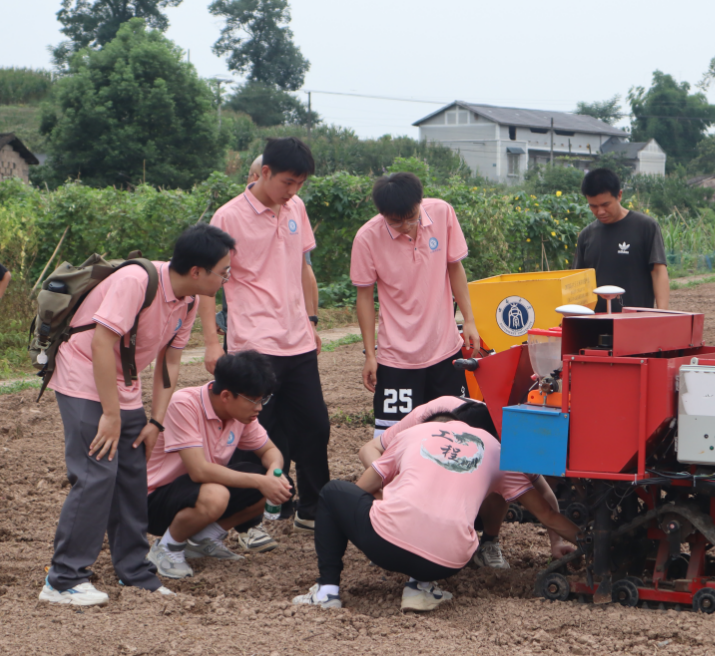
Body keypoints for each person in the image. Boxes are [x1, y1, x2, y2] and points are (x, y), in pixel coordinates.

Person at [39, 223, 234, 606]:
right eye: (223, 271)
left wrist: (155, 422)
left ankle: (134, 571)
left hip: (123, 385)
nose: (227, 278)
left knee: (131, 477)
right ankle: (62, 579)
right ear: (197, 271)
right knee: (96, 474)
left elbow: (170, 360)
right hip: (83, 377)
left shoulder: (189, 299)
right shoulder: (136, 281)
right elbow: (100, 343)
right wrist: (110, 415)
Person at [292, 404, 579, 612]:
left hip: (384, 546)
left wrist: (388, 500)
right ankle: (420, 586)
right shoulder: (496, 450)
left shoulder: (414, 434)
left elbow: (358, 491)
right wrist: (593, 543)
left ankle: (327, 591)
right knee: (442, 512)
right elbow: (547, 515)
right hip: (447, 563)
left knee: (332, 493)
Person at [198, 137, 330, 535]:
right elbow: (208, 283)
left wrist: (311, 318)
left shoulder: (296, 208)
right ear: (265, 173)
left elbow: (302, 267)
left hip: (298, 340)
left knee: (314, 427)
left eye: (300, 184)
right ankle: (252, 519)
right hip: (254, 344)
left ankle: (313, 508)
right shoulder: (228, 217)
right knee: (259, 432)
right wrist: (210, 342)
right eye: (287, 182)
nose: (292, 191)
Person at [358, 396, 573, 568]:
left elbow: (544, 496)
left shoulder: (505, 443)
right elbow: (369, 449)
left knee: (500, 474)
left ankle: (489, 542)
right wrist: (396, 483)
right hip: (421, 493)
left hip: (468, 505)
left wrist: (557, 543)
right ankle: (391, 530)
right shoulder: (431, 413)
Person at [350, 172, 482, 439]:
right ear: (382, 213)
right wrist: (370, 355)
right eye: (396, 222)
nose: (407, 226)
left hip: (445, 351)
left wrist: (468, 319)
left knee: (454, 435)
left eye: (412, 217)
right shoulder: (367, 238)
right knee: (395, 440)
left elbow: (455, 267)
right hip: (397, 359)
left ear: (420, 201)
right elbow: (364, 298)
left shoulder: (443, 213)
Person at [145, 351, 292, 579]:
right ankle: (167, 547)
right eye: (254, 400)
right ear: (226, 396)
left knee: (281, 484)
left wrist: (274, 472)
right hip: (155, 500)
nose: (260, 408)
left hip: (200, 491)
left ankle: (205, 539)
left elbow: (270, 451)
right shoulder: (185, 404)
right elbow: (199, 471)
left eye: (263, 399)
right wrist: (262, 481)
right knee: (217, 494)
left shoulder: (242, 416)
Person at [575, 168, 669, 312]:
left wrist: (663, 313)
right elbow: (579, 283)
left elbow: (658, 271)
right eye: (593, 206)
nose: (600, 212)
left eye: (605, 205)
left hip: (636, 322)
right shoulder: (586, 236)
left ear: (619, 195)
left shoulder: (645, 227)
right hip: (595, 324)